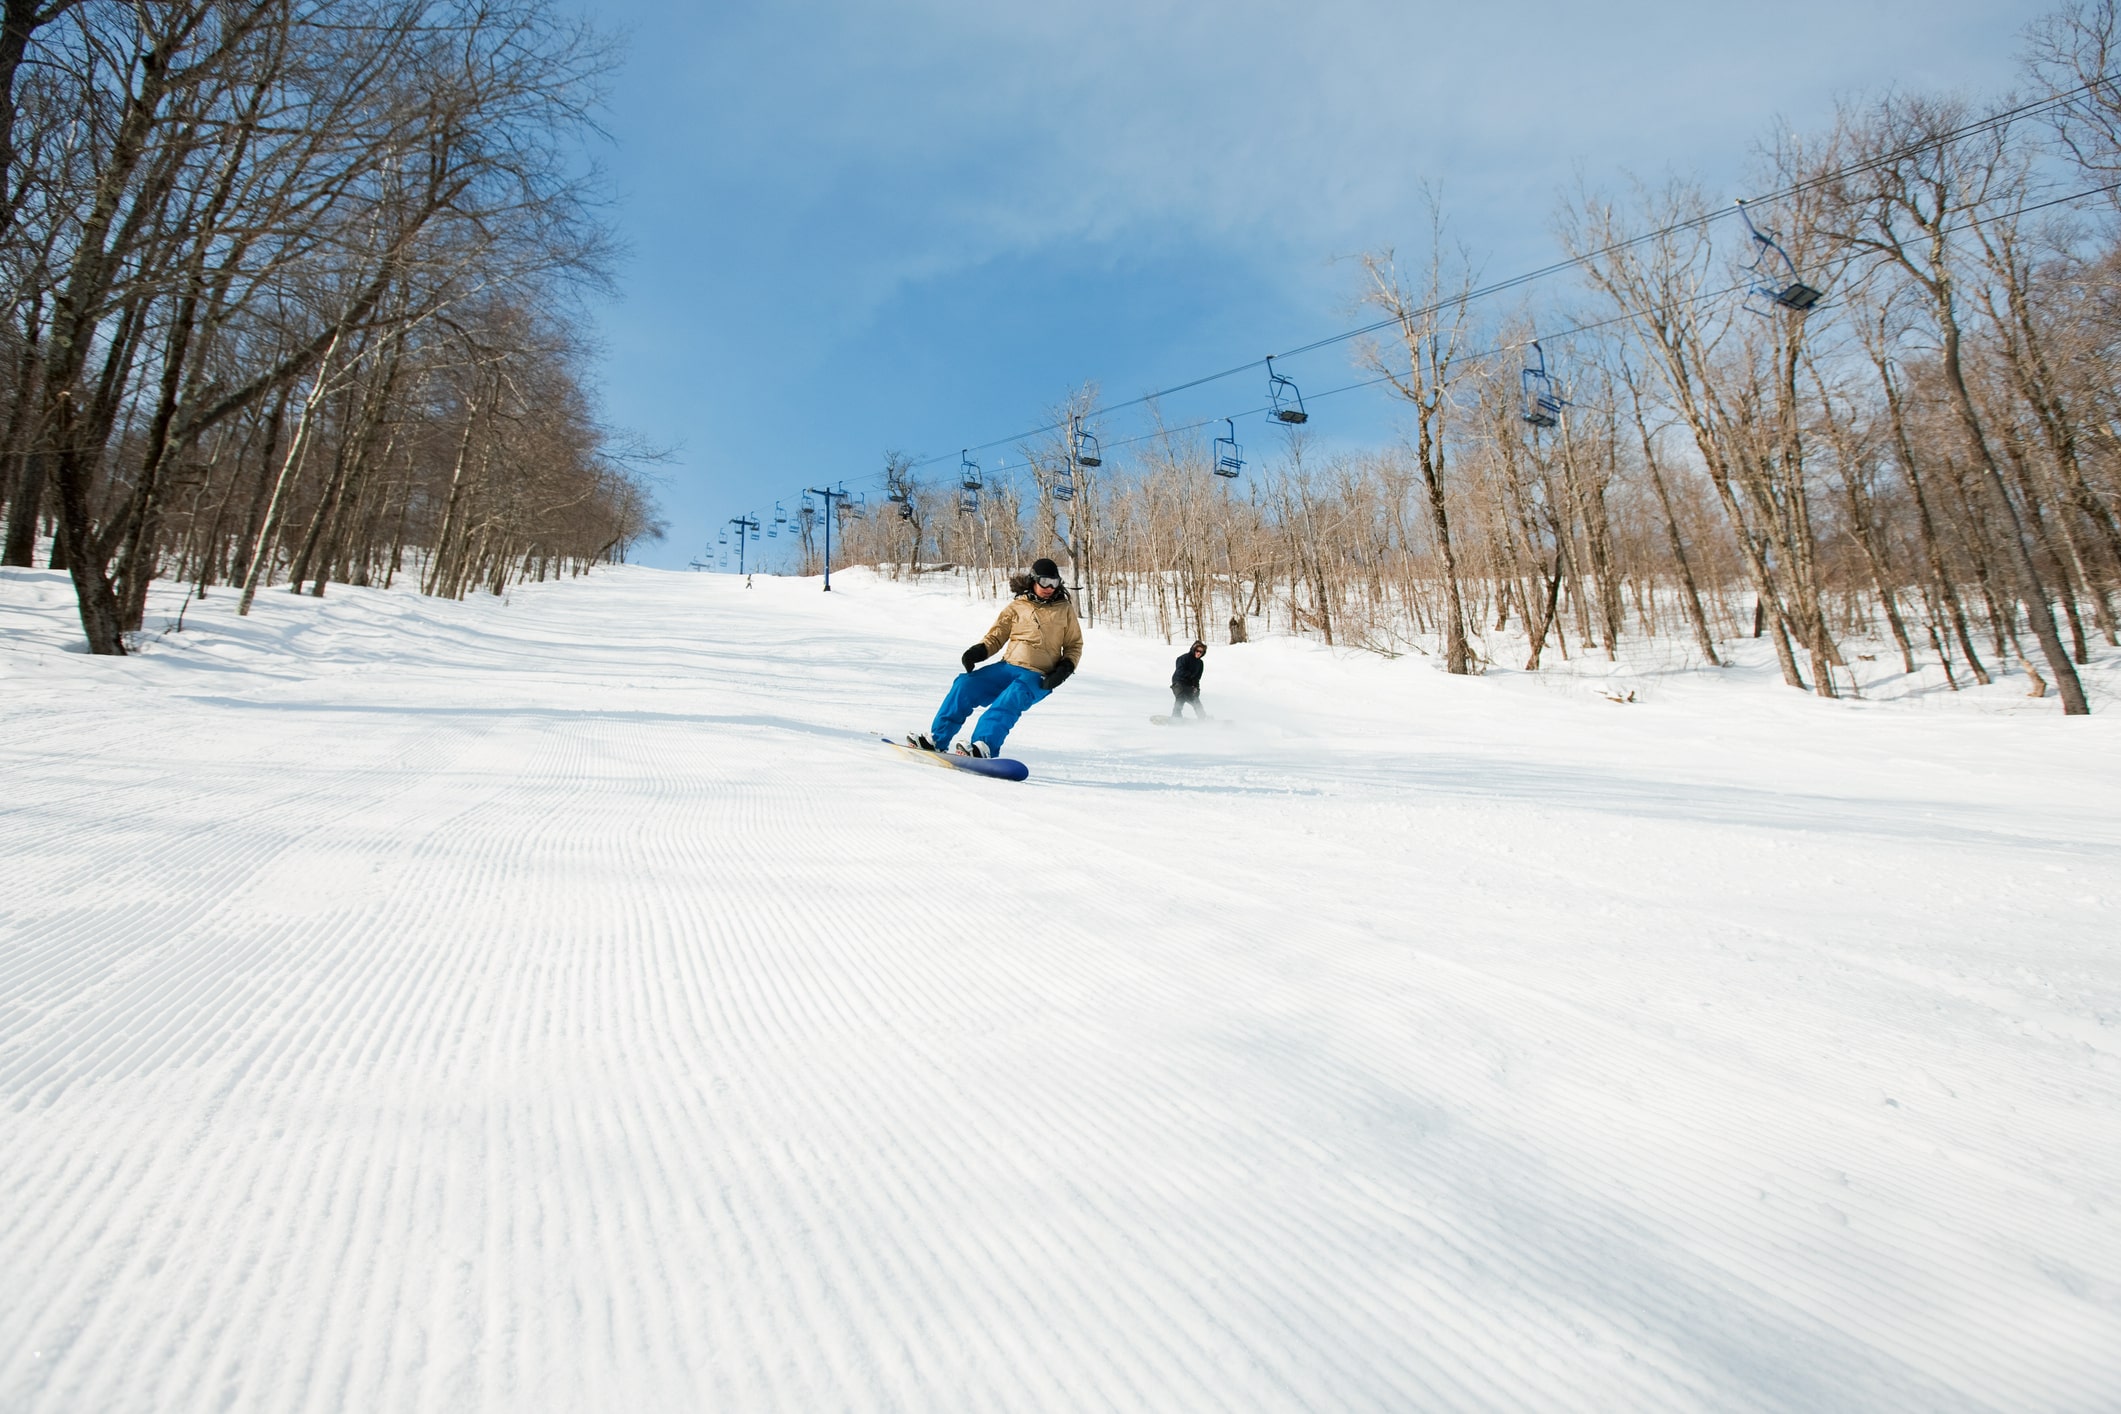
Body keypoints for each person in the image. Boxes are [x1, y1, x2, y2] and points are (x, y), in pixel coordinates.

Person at [909, 557, 1082, 757]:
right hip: (1008, 667)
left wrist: (1064, 669)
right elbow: (996, 636)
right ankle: (937, 739)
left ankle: (983, 746)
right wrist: (979, 651)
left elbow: (1074, 645)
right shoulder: (1017, 606)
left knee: (1012, 697)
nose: (1049, 588)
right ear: (1033, 580)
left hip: (1039, 676)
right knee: (964, 684)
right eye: (1044, 582)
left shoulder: (1064, 609)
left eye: (1054, 583)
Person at [1171, 639, 1207, 719]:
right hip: (1178, 682)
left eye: (1201, 652)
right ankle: (1176, 717)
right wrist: (1190, 676)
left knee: (1195, 700)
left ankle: (1203, 718)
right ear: (1193, 650)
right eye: (1197, 651)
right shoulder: (1183, 658)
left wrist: (1196, 688)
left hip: (1189, 684)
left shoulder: (1200, 663)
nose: (1198, 653)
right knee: (1181, 697)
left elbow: (1197, 678)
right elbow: (1180, 670)